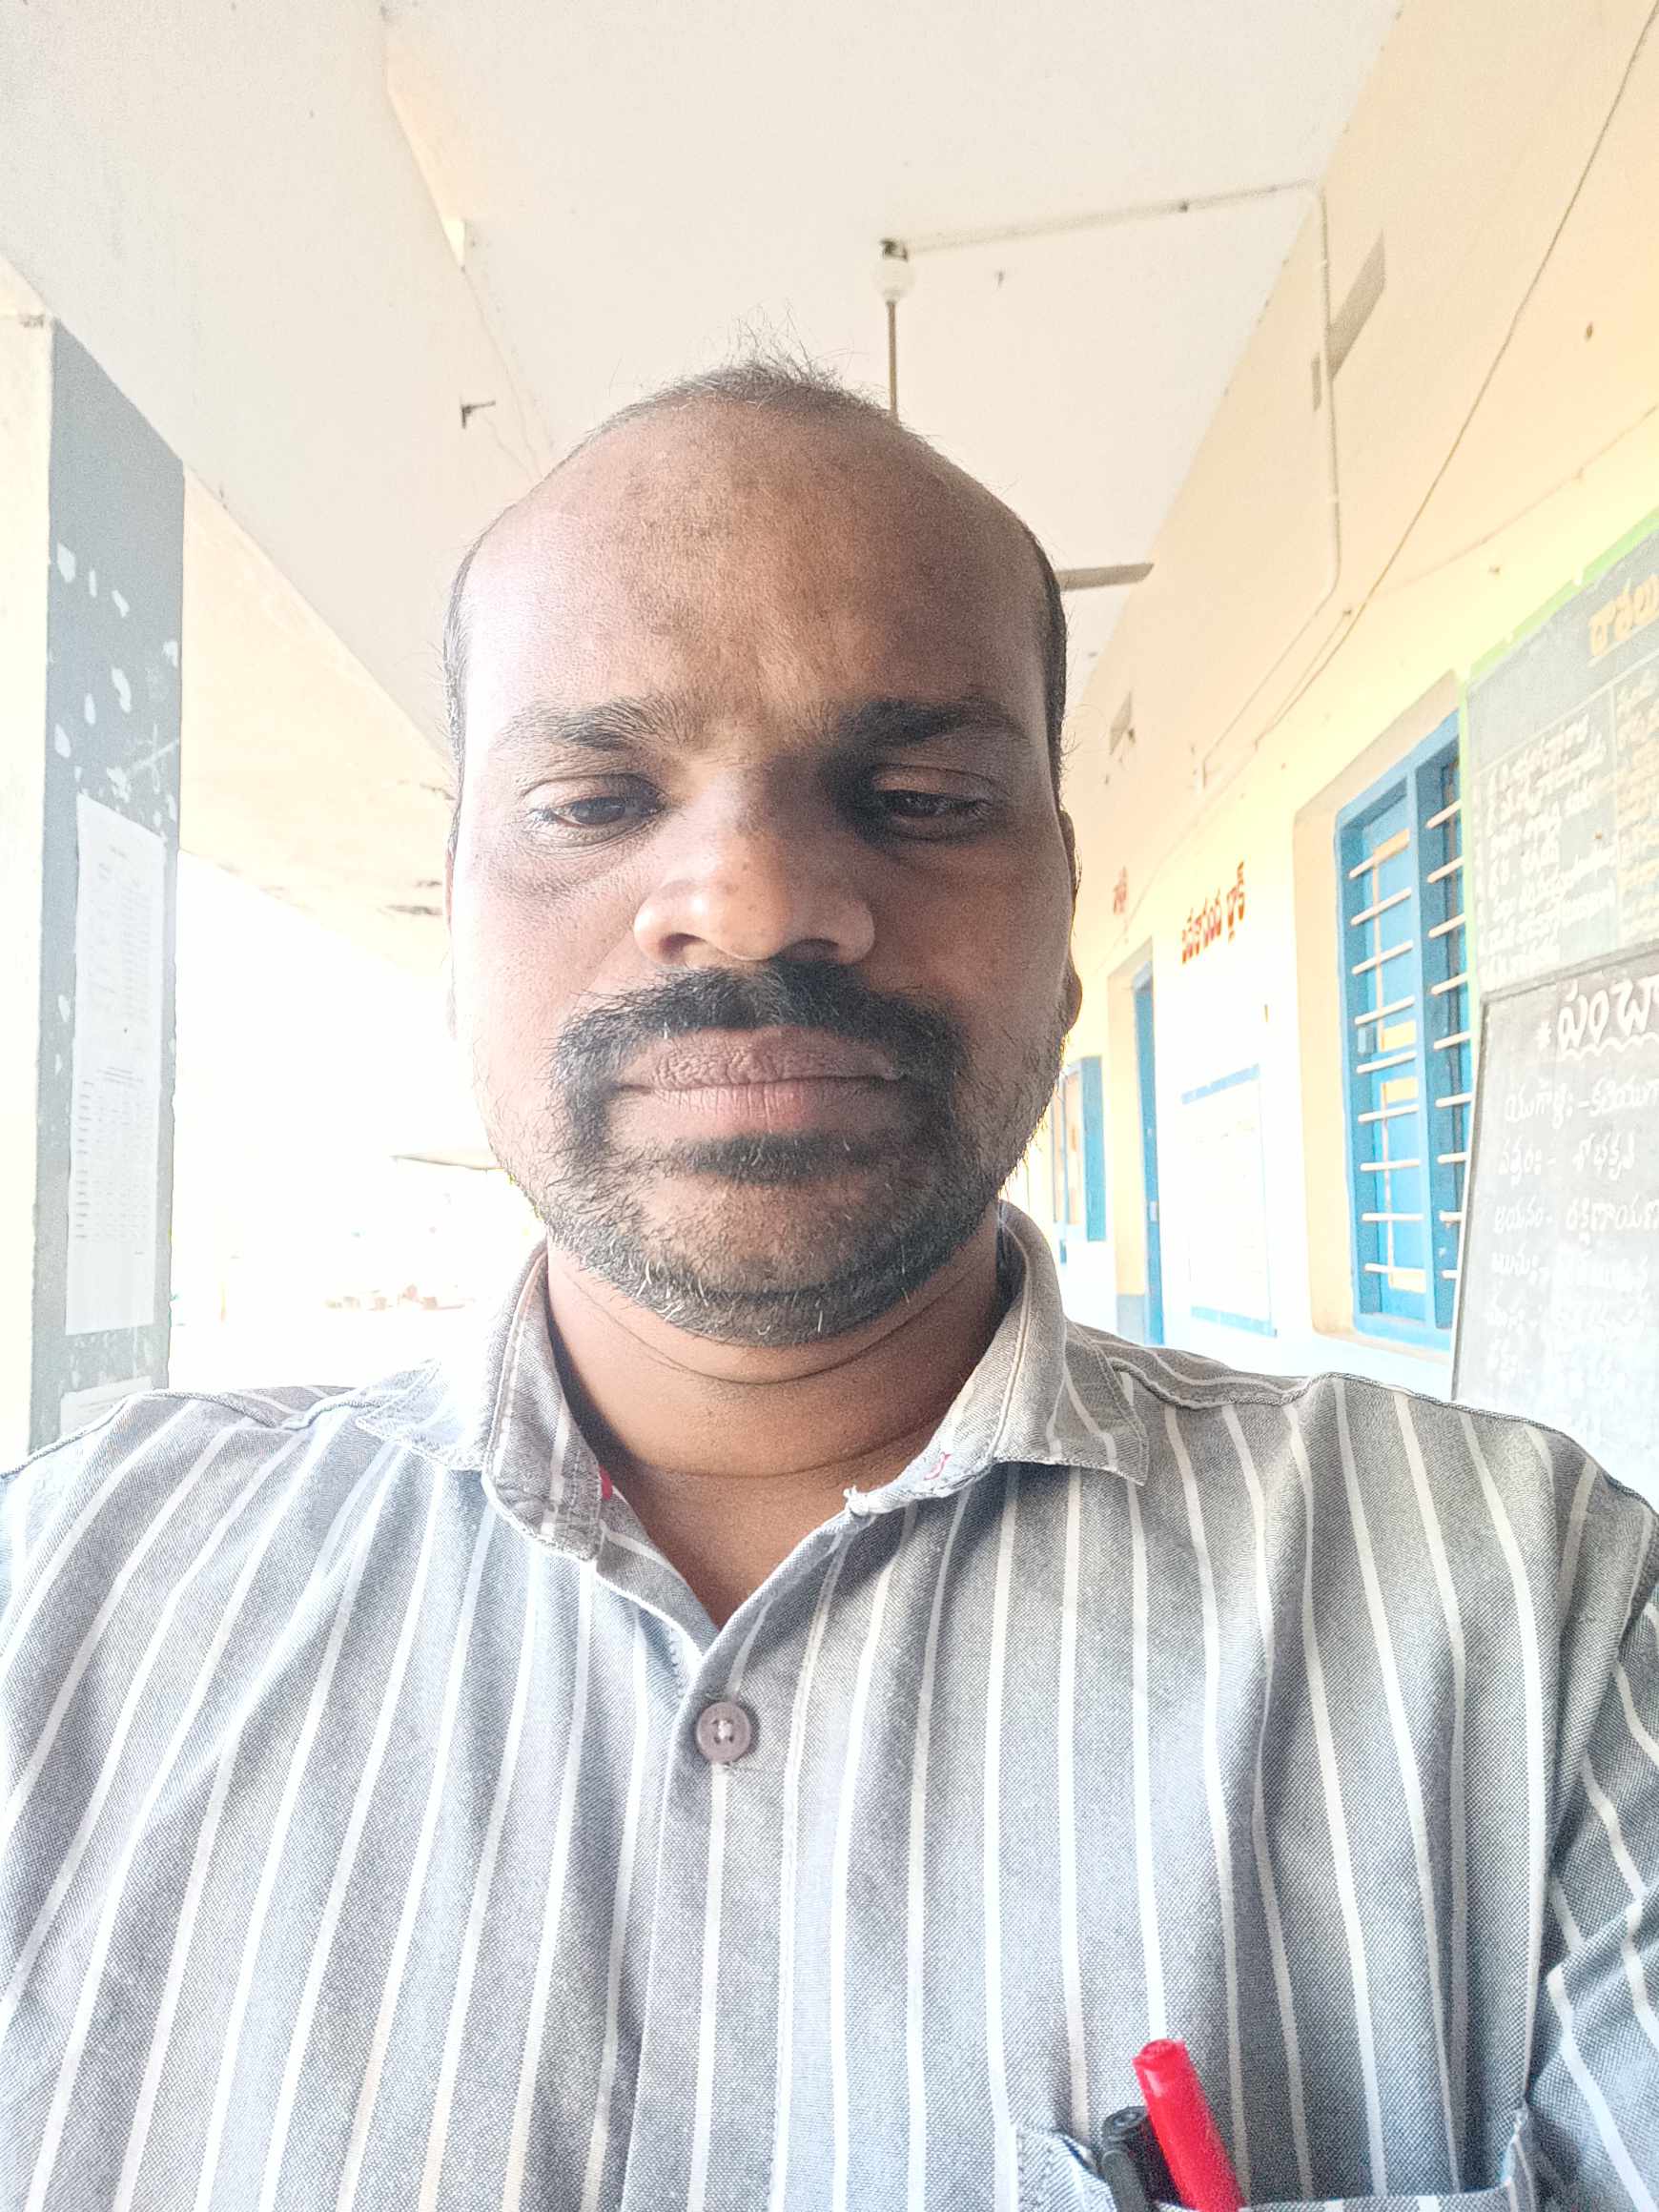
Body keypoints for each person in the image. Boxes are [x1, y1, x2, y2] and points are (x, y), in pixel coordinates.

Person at [1, 358, 1654, 2212]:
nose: (755, 895)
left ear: (1067, 913)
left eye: (922, 795)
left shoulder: (1545, 1616)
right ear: (452, 924)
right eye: (595, 798)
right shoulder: (59, 1603)